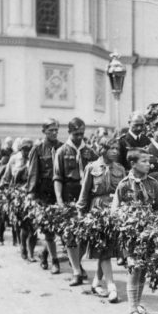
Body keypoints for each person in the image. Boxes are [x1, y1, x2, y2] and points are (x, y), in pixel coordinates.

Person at [113, 149, 158, 314]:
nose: (149, 165)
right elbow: (117, 209)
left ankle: (138, 302)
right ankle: (132, 309)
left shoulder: (153, 184)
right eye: (144, 161)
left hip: (148, 233)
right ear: (133, 164)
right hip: (131, 235)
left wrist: (153, 220)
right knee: (134, 267)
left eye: (149, 162)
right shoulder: (124, 185)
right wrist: (128, 222)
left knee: (142, 269)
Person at [78, 138, 126, 302]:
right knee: (103, 249)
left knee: (107, 249)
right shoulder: (92, 168)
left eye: (117, 148)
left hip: (115, 211)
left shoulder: (120, 168)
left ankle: (96, 282)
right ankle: (112, 286)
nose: (116, 151)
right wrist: (81, 214)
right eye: (112, 148)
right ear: (103, 149)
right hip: (98, 212)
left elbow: (124, 192)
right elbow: (84, 193)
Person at [54, 118, 98, 285]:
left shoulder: (90, 152)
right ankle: (76, 271)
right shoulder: (61, 151)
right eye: (76, 134)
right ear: (69, 132)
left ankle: (76, 263)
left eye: (82, 133)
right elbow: (57, 178)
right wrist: (59, 200)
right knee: (72, 235)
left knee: (86, 236)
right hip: (69, 195)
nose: (79, 137)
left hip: (87, 196)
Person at [27, 120, 62, 273]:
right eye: (51, 130)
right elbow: (33, 172)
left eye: (56, 130)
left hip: (60, 193)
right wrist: (31, 193)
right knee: (48, 229)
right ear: (44, 131)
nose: (54, 133)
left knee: (58, 229)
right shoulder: (38, 149)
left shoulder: (62, 147)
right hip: (44, 193)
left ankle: (44, 253)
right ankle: (55, 261)